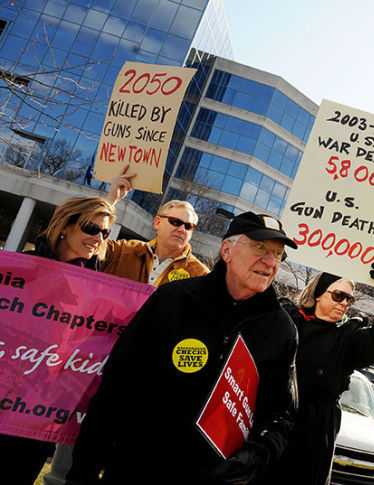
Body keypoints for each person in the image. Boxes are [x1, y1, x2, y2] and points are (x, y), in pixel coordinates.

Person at [66, 212, 299, 485]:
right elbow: (118, 386)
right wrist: (84, 470)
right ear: (227, 250)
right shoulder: (172, 299)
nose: (270, 261)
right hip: (137, 466)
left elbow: (281, 413)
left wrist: (253, 459)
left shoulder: (281, 330)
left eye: (277, 254)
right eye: (260, 248)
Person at [0, 197, 117, 485]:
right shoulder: (19, 266)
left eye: (105, 232)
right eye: (91, 228)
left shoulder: (96, 284)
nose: (98, 238)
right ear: (65, 226)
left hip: (39, 408)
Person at [257, 258, 374, 485]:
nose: (344, 303)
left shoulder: (347, 338)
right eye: (338, 295)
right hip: (269, 427)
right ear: (319, 294)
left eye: (349, 299)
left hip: (313, 439)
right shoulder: (288, 319)